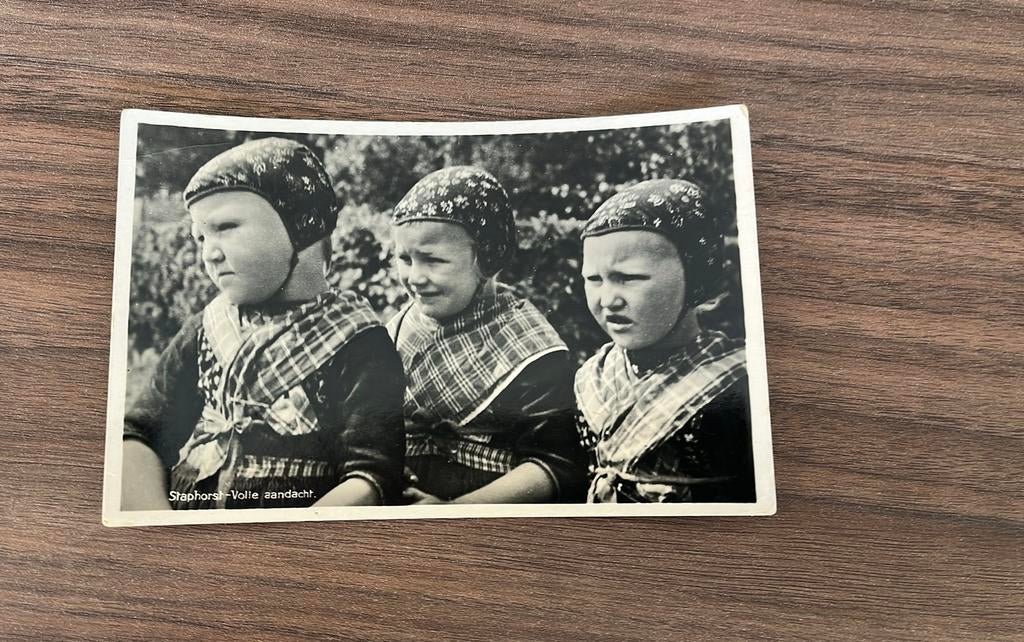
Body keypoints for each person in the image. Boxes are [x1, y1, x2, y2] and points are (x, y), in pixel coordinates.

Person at [121, 137, 405, 510]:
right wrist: (159, 525)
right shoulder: (206, 329)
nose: (209, 252)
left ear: (301, 226)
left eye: (227, 226)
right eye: (200, 237)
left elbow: (372, 475)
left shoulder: (358, 342)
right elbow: (140, 436)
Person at [386, 166, 587, 504]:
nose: (415, 277)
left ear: (487, 257)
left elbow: (557, 464)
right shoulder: (398, 329)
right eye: (405, 259)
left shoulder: (528, 347)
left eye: (433, 261)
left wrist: (452, 511)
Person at [575, 179, 755, 503]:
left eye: (628, 278)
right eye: (593, 279)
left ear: (696, 279)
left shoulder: (738, 382)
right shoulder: (592, 377)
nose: (607, 300)